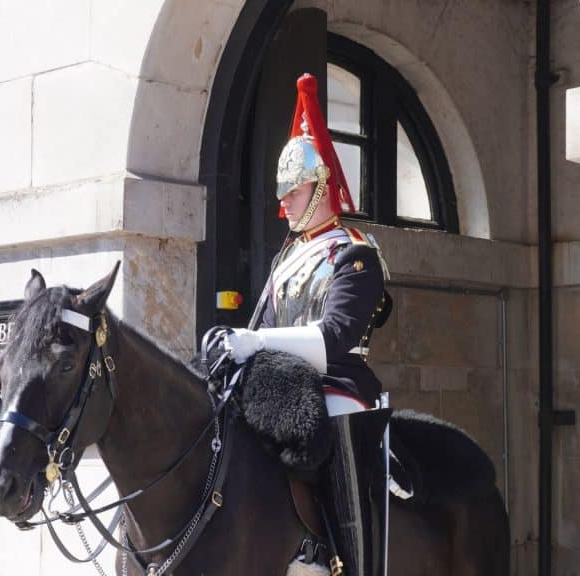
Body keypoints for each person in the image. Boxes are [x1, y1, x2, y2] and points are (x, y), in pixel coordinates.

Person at [225, 73, 390, 576]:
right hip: (286, 386)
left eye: (292, 193)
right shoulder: (287, 259)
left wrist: (258, 340)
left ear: (319, 188)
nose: (284, 204)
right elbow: (269, 325)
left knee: (332, 427)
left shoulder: (355, 253)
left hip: (340, 384)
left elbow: (338, 336)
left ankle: (347, 556)